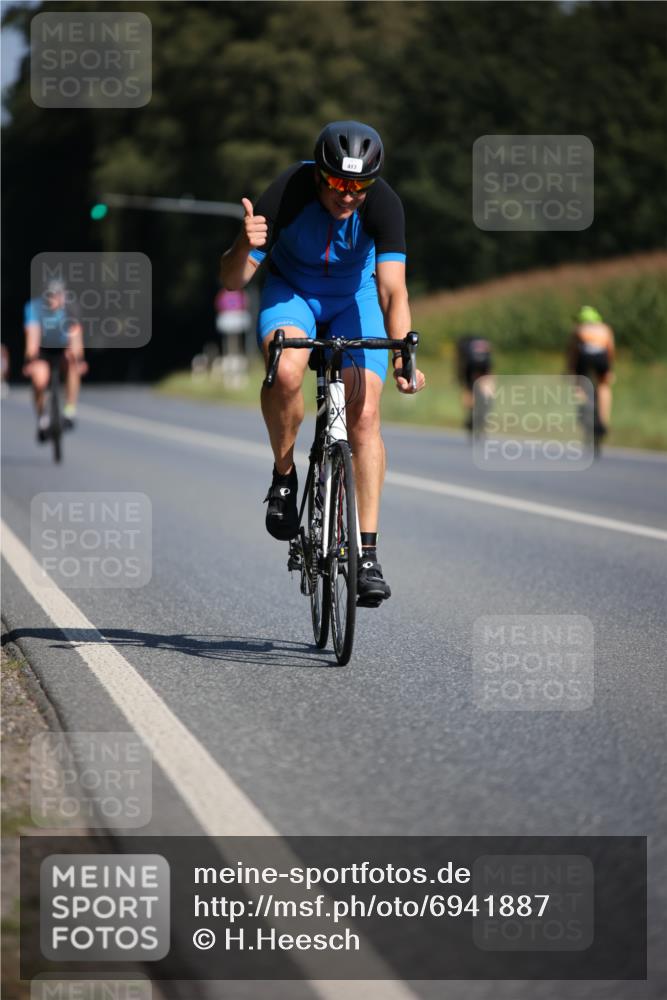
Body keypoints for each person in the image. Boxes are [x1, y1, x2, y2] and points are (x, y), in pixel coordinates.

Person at [220, 120, 425, 606]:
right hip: (293, 293)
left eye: (360, 186)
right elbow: (232, 281)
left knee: (366, 416)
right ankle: (285, 476)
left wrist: (403, 354)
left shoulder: (385, 204)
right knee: (286, 368)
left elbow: (393, 288)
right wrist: (244, 245)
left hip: (354, 296)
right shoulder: (287, 192)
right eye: (338, 183)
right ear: (320, 175)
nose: (349, 195)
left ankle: (367, 555)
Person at [23, 279, 87, 441]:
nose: (52, 300)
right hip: (42, 351)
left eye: (56, 296)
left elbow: (76, 337)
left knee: (73, 362)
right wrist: (31, 360)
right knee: (39, 380)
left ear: (63, 297)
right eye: (49, 296)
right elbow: (32, 337)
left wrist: (79, 359)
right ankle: (42, 419)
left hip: (63, 349)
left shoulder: (71, 308)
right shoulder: (34, 308)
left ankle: (69, 410)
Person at [566, 305, 615, 437]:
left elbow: (573, 352)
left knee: (580, 384)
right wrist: (609, 371)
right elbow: (610, 350)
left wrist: (570, 370)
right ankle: (603, 421)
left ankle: (582, 405)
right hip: (602, 357)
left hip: (584, 357)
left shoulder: (578, 329)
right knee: (604, 386)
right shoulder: (605, 328)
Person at [455, 334, 494, 432]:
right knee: (487, 395)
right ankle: (479, 417)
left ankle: (472, 419)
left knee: (469, 392)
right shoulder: (483, 348)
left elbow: (462, 370)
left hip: (470, 371)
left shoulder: (466, 350)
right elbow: (490, 369)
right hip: (483, 371)